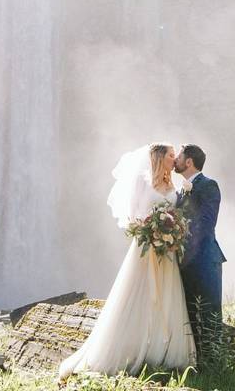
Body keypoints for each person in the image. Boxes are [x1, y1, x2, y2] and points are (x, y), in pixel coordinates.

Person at [56, 143, 196, 383]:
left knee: (167, 297)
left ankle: (162, 351)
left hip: (167, 252)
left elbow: (179, 214)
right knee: (137, 296)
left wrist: (172, 232)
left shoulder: (175, 186)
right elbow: (133, 216)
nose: (175, 159)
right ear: (160, 157)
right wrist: (151, 230)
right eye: (172, 155)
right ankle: (125, 351)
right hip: (145, 249)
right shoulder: (143, 181)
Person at [174, 144, 226, 368]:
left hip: (205, 259)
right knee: (189, 311)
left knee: (210, 311)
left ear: (188, 162)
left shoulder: (208, 185)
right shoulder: (179, 191)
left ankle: (215, 365)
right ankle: (196, 363)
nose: (174, 160)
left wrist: (179, 237)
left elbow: (206, 223)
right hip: (185, 261)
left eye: (178, 156)